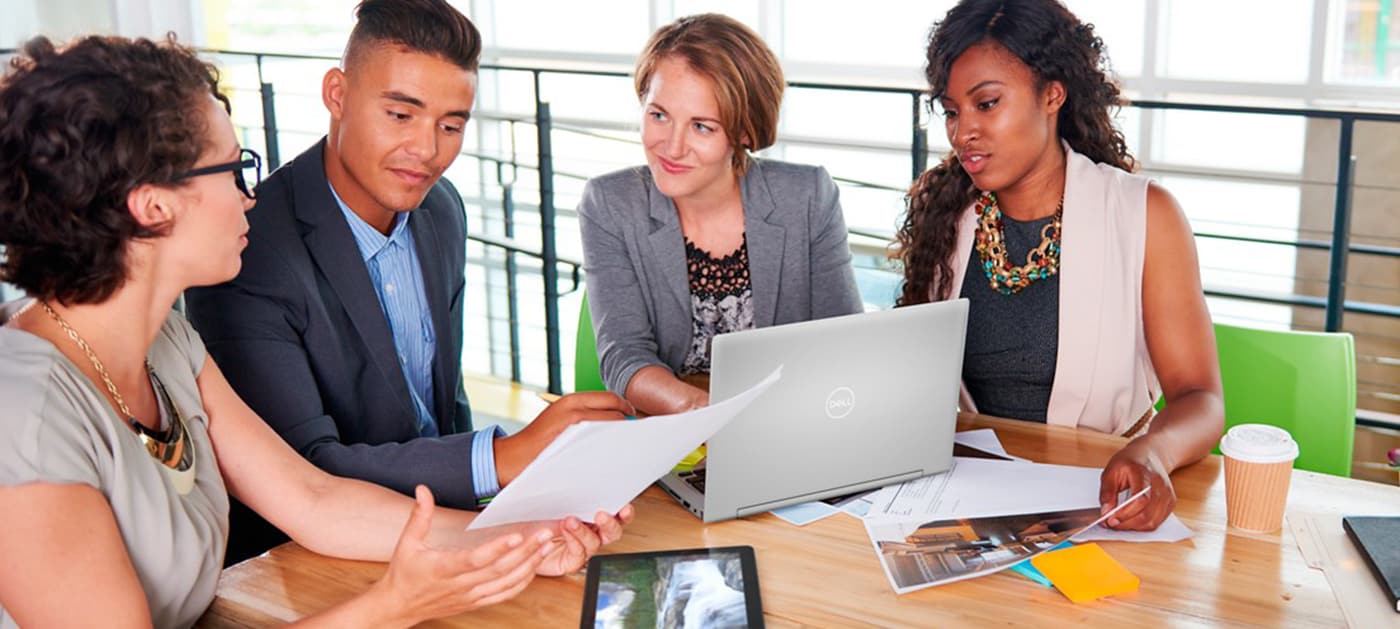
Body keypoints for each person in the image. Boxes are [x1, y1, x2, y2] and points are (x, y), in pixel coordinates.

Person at [0, 34, 630, 628]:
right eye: (231, 170)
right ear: (153, 205)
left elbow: (317, 501)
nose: (251, 197)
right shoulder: (24, 413)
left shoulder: (167, 343)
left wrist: (521, 540)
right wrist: (393, 606)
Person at [184, 0, 634, 563]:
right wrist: (502, 459)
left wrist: (511, 500)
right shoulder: (244, 251)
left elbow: (445, 406)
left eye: (451, 125)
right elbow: (304, 472)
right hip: (305, 563)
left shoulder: (441, 209)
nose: (427, 151)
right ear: (336, 94)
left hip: (447, 528)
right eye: (401, 115)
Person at [896, 0, 1225, 531]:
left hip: (1102, 497)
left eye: (987, 104)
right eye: (953, 112)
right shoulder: (947, 215)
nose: (962, 133)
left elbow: (1200, 397)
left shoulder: (1145, 215)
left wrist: (1153, 453)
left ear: (1052, 94)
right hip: (964, 502)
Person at [578, 14, 863, 416]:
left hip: (794, 418)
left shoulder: (808, 197)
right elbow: (624, 356)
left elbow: (844, 343)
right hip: (676, 427)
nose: (672, 147)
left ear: (744, 132)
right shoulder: (609, 205)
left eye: (701, 127)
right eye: (658, 115)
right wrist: (705, 413)